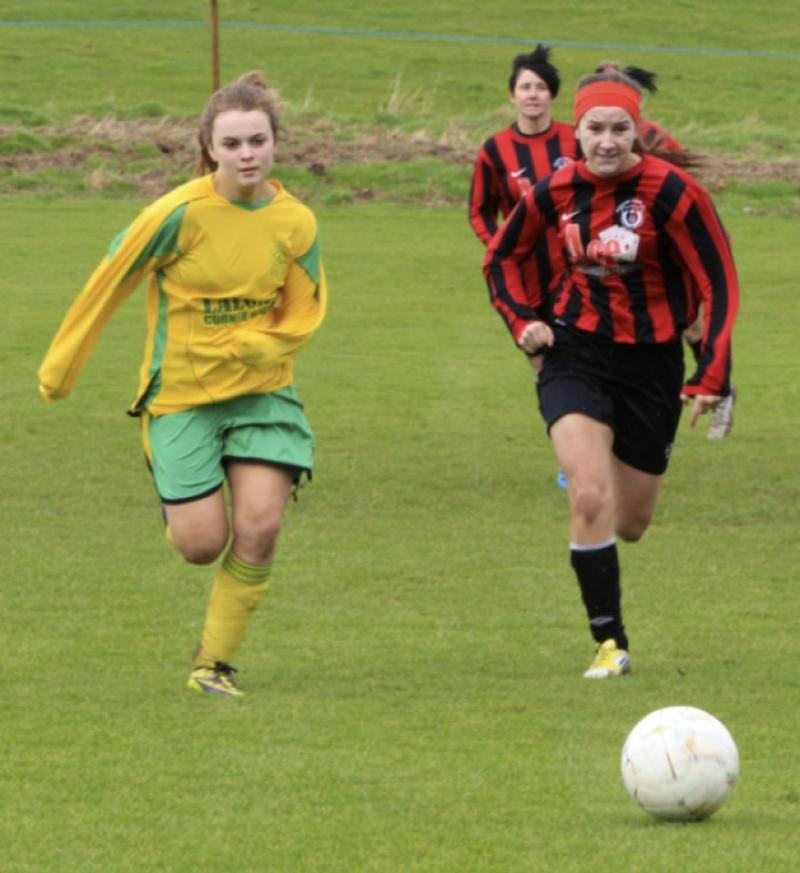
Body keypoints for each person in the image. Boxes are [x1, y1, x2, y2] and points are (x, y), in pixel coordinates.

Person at [38, 71, 327, 698]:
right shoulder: (175, 214)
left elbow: (306, 311)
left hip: (263, 393)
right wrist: (62, 365)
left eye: (257, 140)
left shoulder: (296, 222)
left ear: (276, 143)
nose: (247, 154)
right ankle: (180, 500)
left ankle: (212, 665)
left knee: (261, 527)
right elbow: (109, 279)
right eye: (232, 144)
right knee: (201, 545)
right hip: (182, 398)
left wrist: (263, 344)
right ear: (209, 148)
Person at [483, 70, 739, 678]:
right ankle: (610, 643)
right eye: (595, 128)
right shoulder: (555, 188)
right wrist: (522, 320)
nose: (606, 141)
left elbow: (718, 282)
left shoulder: (673, 193)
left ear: (636, 132)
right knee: (589, 491)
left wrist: (712, 371)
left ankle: (611, 616)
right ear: (579, 132)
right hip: (576, 353)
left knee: (631, 523)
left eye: (619, 129)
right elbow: (502, 258)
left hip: (652, 363)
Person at [596, 60, 737, 440]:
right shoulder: (592, 139)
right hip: (618, 253)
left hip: (667, 249)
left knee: (688, 322)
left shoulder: (656, 139)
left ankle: (717, 383)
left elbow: (688, 197)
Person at [468, 44, 580, 488]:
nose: (532, 94)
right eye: (524, 87)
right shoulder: (495, 150)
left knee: (582, 360)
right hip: (523, 281)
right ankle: (569, 455)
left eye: (540, 87)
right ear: (512, 96)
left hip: (577, 274)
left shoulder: (576, 140)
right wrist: (501, 248)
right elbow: (479, 211)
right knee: (544, 368)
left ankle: (591, 450)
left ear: (552, 96)